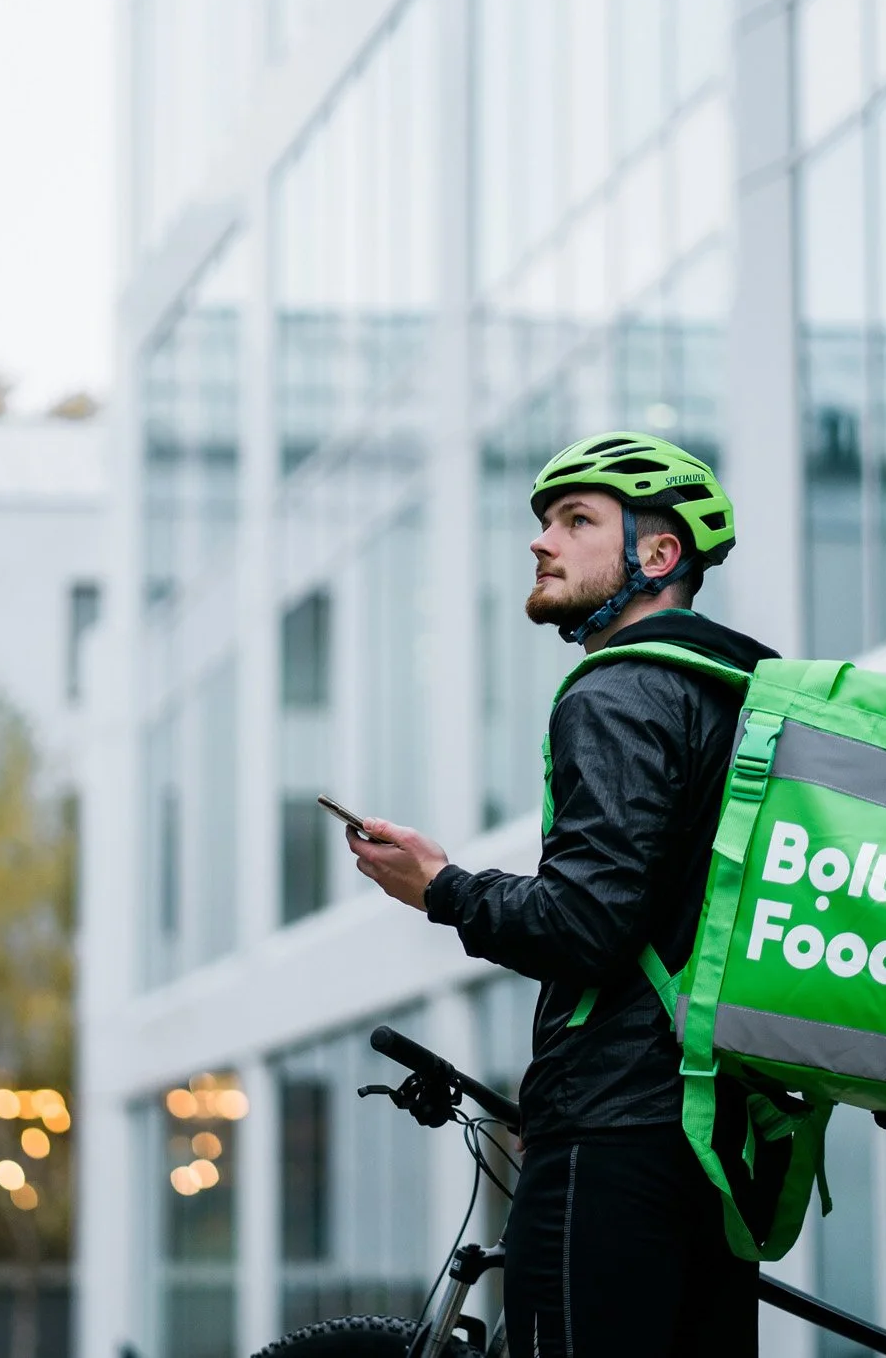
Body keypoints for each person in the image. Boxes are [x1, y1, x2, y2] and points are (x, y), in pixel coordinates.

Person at [346, 432, 783, 1357]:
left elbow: (587, 923)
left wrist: (441, 887)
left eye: (577, 520)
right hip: (711, 1134)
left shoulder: (621, 691)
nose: (542, 541)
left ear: (658, 555)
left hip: (612, 1131)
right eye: (545, 521)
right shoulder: (739, 697)